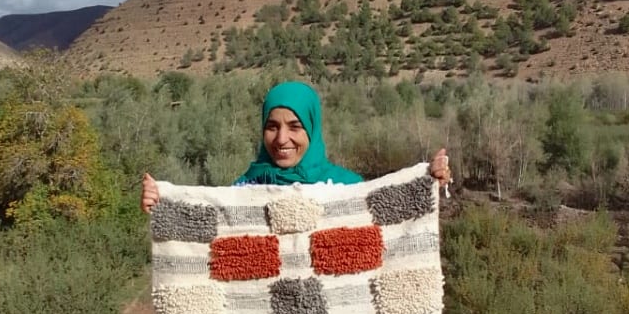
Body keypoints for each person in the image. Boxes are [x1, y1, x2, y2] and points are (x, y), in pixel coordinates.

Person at [141, 80, 450, 211]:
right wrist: (164, 201)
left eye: (295, 127)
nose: (281, 139)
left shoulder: (345, 187)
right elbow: (205, 225)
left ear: (312, 130)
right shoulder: (245, 187)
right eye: (272, 127)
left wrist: (427, 183)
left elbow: (388, 213)